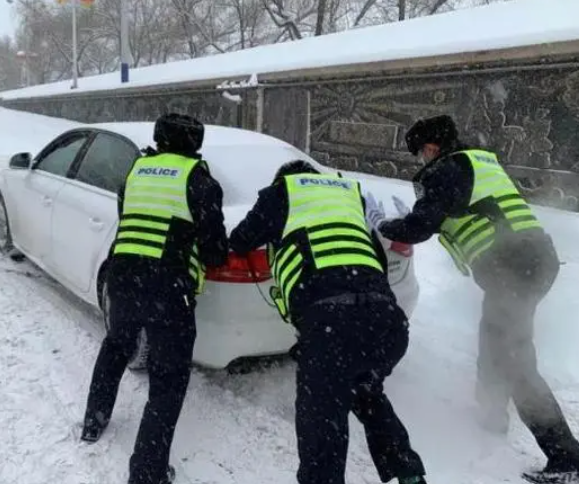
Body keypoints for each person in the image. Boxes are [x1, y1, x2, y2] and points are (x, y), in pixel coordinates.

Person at [367, 114, 579, 483]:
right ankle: (492, 410)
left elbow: (421, 225)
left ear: (431, 148)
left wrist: (381, 225)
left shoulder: (446, 170)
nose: (421, 160)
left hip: (514, 269)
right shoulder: (477, 161)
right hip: (532, 261)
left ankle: (567, 458)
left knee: (516, 363)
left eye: (420, 152)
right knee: (494, 336)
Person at [229, 160, 427, 484]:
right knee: (366, 393)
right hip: (387, 323)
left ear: (286, 180)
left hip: (330, 325)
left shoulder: (283, 192)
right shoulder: (349, 196)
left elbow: (240, 239)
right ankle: (411, 477)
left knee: (321, 426)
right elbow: (375, 255)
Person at [81, 113, 228, 484]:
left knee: (116, 345)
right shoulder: (200, 180)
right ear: (196, 144)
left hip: (122, 275)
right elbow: (214, 253)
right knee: (168, 379)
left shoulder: (137, 170)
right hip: (168, 289)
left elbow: (129, 215)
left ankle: (93, 422)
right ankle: (147, 472)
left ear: (159, 139)